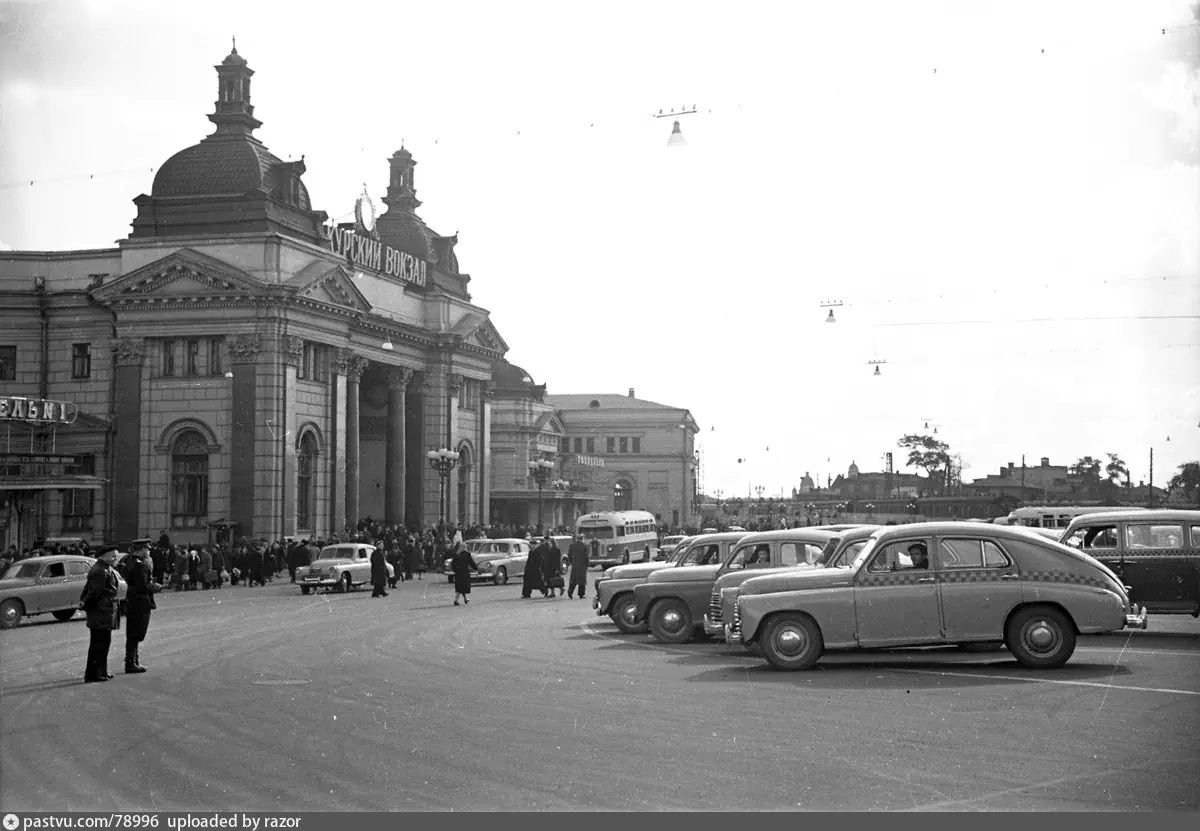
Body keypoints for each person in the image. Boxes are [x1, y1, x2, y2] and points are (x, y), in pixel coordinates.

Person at [80, 546, 121, 683]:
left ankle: (101, 671)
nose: (116, 559)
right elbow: (94, 593)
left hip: (104, 611)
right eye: (113, 556)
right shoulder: (100, 571)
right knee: (99, 644)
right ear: (104, 556)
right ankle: (94, 674)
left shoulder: (104, 568)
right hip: (100, 612)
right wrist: (90, 608)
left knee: (103, 643)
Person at [118, 540, 156, 674]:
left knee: (132, 632)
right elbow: (143, 586)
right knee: (136, 633)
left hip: (131, 601)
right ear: (141, 549)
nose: (148, 551)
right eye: (147, 549)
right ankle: (131, 663)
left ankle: (133, 661)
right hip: (140, 601)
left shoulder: (128, 561)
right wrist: (155, 587)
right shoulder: (139, 565)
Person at [449, 541, 478, 606]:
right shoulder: (466, 554)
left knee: (460, 586)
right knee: (462, 587)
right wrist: (476, 568)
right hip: (464, 572)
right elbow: (471, 562)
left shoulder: (457, 554)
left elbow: (453, 563)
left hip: (458, 573)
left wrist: (455, 570)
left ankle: (465, 599)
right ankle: (456, 601)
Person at [566, 534, 590, 599]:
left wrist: (572, 562)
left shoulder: (572, 546)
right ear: (582, 539)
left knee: (573, 580)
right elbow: (586, 557)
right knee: (582, 581)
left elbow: (569, 555)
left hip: (575, 565)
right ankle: (581, 594)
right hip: (582, 565)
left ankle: (570, 592)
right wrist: (587, 564)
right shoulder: (584, 546)